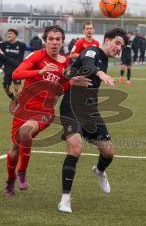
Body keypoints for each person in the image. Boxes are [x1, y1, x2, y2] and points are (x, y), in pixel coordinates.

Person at [4, 25, 91, 197]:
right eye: (51, 39)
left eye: (58, 39)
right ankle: (10, 180)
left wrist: (71, 83)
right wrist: (40, 71)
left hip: (44, 111)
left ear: (62, 42)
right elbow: (16, 74)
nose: (54, 42)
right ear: (46, 41)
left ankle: (22, 172)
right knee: (15, 148)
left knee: (25, 131)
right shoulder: (37, 55)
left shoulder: (65, 62)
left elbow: (61, 88)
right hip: (24, 109)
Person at [58, 28, 128, 213]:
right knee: (75, 146)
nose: (119, 48)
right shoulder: (93, 51)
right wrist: (100, 74)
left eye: (122, 46)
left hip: (90, 109)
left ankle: (99, 170)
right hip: (71, 105)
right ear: (106, 40)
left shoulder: (104, 59)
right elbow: (88, 62)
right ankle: (65, 199)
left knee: (109, 153)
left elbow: (72, 71)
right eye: (117, 43)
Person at [0, 28, 31, 102]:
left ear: (15, 35)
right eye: (8, 33)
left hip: (17, 69)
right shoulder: (3, 45)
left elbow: (31, 49)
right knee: (5, 88)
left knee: (17, 88)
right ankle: (13, 99)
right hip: (7, 69)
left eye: (11, 33)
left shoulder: (21, 45)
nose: (9, 35)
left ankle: (18, 102)